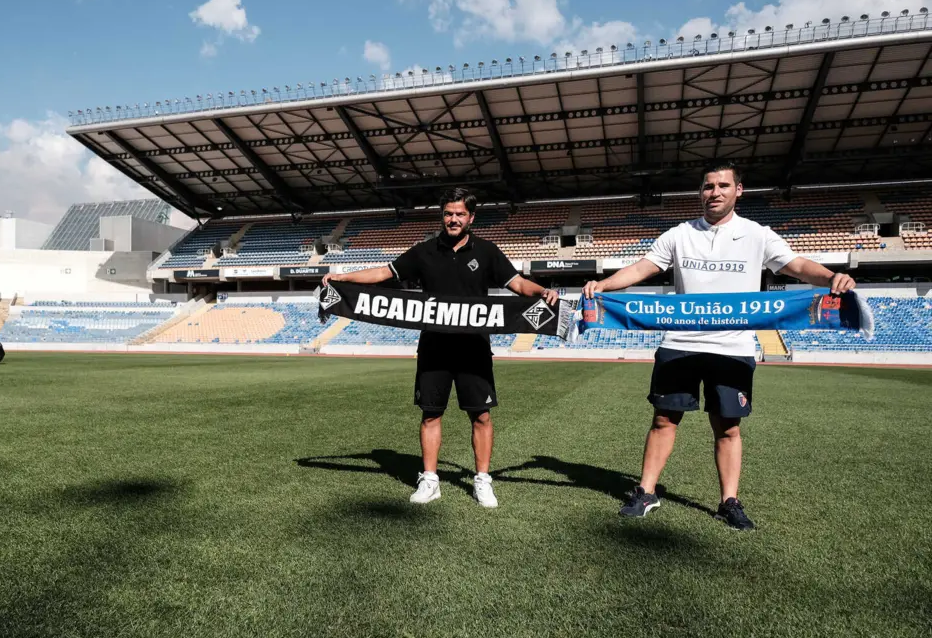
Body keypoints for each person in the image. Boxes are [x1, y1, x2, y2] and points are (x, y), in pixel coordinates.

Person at [581, 161, 856, 529]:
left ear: (738, 191)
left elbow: (796, 265)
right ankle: (646, 492)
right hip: (680, 342)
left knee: (728, 427)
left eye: (723, 186)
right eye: (708, 186)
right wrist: (604, 284)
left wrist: (831, 276)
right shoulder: (679, 234)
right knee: (663, 419)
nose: (715, 192)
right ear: (700, 192)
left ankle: (729, 501)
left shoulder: (758, 234)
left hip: (732, 347)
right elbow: (642, 267)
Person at [322, 187, 559, 508]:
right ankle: (430, 480)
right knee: (431, 414)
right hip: (434, 346)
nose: (453, 219)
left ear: (471, 218)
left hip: (474, 347)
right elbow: (384, 273)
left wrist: (542, 290)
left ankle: (482, 481)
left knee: (482, 417)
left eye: (460, 214)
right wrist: (344, 277)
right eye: (448, 213)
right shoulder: (424, 251)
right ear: (442, 216)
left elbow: (517, 283)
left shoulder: (487, 251)